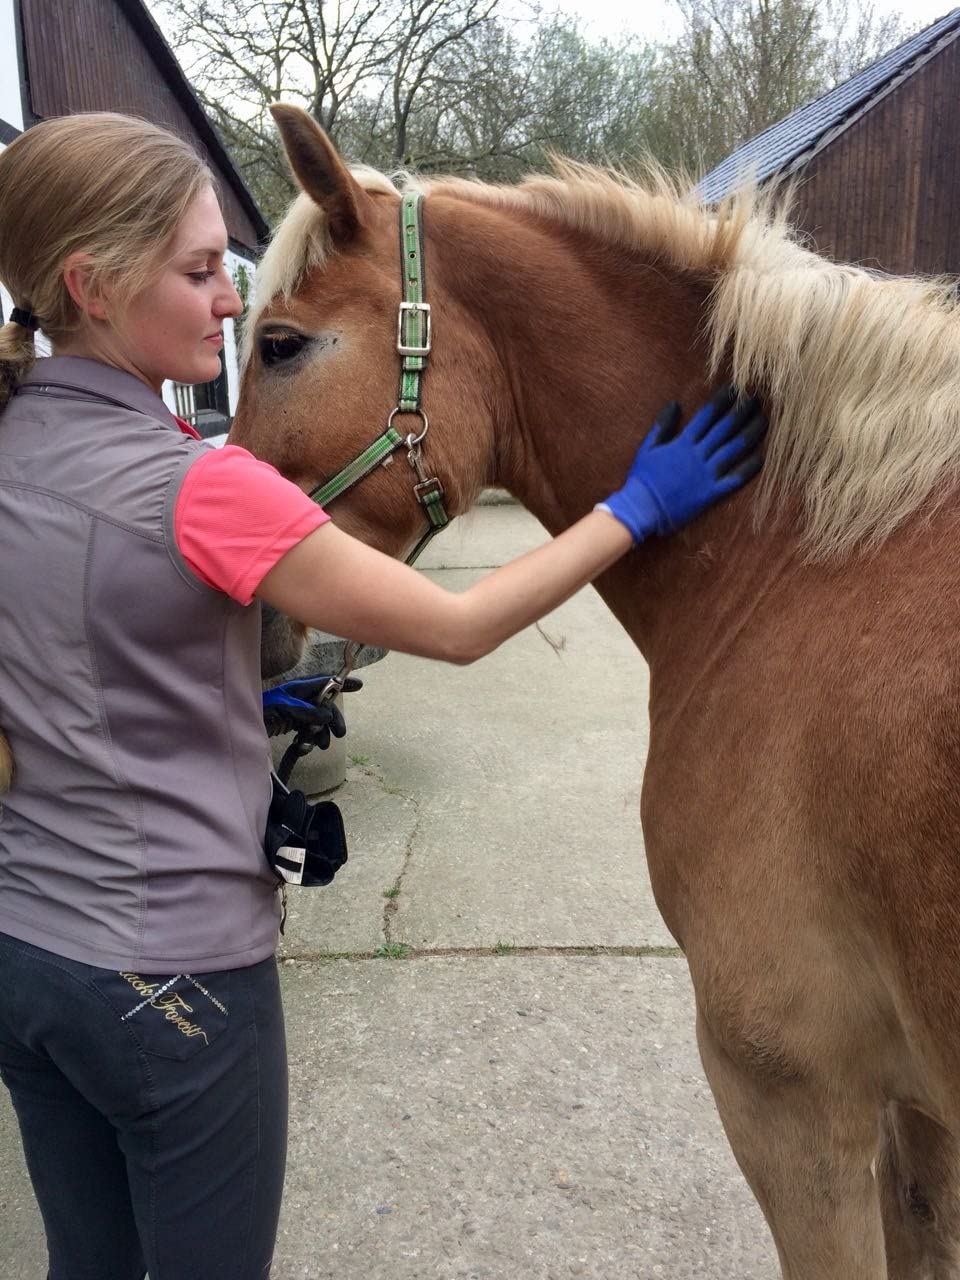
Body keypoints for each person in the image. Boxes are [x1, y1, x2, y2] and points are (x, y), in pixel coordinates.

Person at [0, 112, 766, 1280]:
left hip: (25, 954)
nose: (227, 301)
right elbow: (457, 628)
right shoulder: (208, 489)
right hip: (179, 977)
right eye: (202, 271)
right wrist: (635, 507)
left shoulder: (13, 446)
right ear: (89, 284)